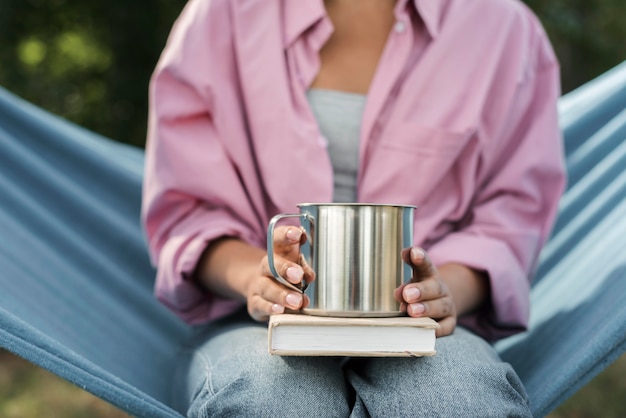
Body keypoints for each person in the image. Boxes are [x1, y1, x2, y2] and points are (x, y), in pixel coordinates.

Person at [142, 0, 566, 416]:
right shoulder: (222, 13)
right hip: (250, 322)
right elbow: (186, 213)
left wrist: (443, 291)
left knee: (458, 401)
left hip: (426, 329)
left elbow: (511, 218)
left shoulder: (504, 29)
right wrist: (255, 275)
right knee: (273, 399)